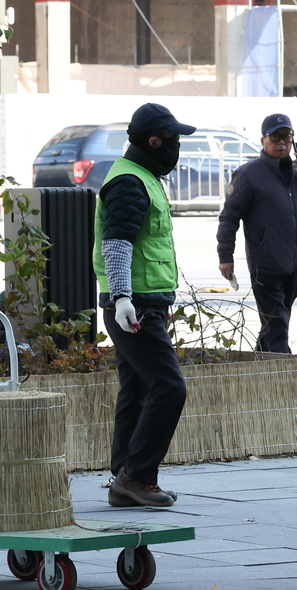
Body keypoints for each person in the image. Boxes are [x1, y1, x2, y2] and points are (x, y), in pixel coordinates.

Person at [92, 103, 195, 508]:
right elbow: (117, 244)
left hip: (144, 303)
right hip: (133, 306)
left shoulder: (143, 177)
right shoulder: (130, 182)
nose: (176, 148)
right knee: (169, 387)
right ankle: (137, 476)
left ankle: (124, 476)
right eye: (173, 140)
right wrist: (122, 299)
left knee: (136, 389)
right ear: (154, 141)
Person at [217, 113, 297, 353]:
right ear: (263, 140)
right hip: (267, 264)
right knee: (277, 323)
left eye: (287, 138)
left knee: (275, 322)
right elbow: (229, 218)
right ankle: (285, 375)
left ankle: (259, 369)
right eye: (275, 137)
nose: (282, 143)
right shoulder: (249, 174)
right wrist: (225, 256)